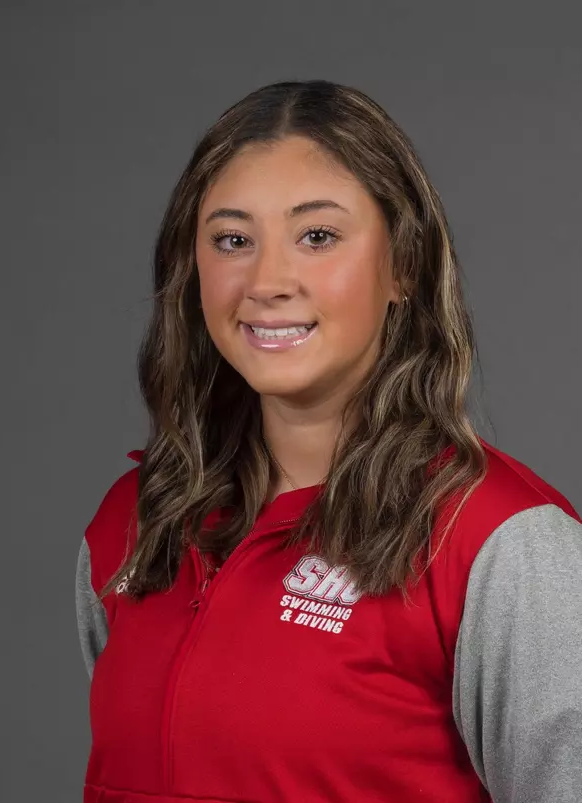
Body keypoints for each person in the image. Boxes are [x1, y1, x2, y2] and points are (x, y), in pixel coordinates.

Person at [76, 80, 582, 803]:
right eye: (232, 240)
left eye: (317, 236)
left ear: (402, 265)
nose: (266, 281)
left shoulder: (500, 544)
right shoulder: (130, 524)